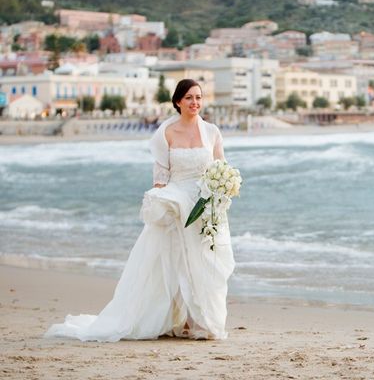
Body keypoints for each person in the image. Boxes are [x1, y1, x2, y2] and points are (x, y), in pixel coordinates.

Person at [45, 79, 235, 341]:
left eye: (199, 97)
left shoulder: (212, 132)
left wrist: (221, 191)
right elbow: (160, 177)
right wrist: (162, 203)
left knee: (203, 262)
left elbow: (220, 168)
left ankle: (200, 321)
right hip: (177, 202)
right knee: (176, 262)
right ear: (178, 101)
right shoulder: (166, 133)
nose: (195, 103)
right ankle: (184, 321)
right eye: (189, 98)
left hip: (205, 205)